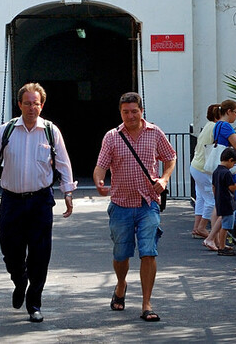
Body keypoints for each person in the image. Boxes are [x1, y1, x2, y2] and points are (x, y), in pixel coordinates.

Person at [0, 83, 76, 323]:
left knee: (40, 254)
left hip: (40, 202)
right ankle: (19, 279)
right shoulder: (6, 131)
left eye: (36, 103)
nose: (32, 108)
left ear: (42, 105)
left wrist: (67, 192)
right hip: (12, 201)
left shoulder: (50, 131)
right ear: (20, 105)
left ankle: (34, 302)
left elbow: (63, 164)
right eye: (27, 103)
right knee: (10, 251)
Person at [93, 92, 176, 322]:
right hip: (120, 204)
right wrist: (99, 181)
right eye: (125, 112)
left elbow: (170, 157)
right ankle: (121, 284)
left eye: (134, 111)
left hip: (147, 204)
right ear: (120, 113)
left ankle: (146, 303)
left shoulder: (155, 133)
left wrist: (165, 179)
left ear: (141, 111)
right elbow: (101, 165)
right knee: (121, 254)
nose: (130, 116)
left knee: (148, 251)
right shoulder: (112, 137)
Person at [203, 99, 236, 251]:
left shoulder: (218, 125)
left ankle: (217, 240)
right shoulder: (225, 125)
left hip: (220, 170)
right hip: (229, 170)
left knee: (220, 206)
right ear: (229, 111)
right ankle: (213, 238)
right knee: (228, 207)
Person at [189, 104, 221, 238]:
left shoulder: (208, 126)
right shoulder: (215, 127)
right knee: (212, 200)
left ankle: (197, 227)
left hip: (196, 165)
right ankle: (202, 227)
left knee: (201, 198)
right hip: (204, 168)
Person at [212, 147, 236, 256]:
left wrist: (216, 198)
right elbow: (232, 187)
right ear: (230, 160)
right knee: (226, 226)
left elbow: (213, 186)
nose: (233, 166)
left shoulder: (216, 171)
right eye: (234, 163)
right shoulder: (226, 173)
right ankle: (222, 248)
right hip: (227, 203)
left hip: (225, 202)